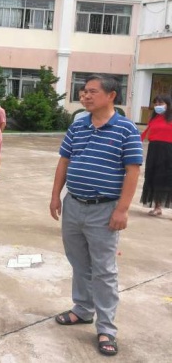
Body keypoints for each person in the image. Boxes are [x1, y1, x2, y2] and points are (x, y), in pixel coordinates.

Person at [49, 74, 143, 357]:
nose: (85, 96)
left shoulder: (126, 129)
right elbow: (64, 161)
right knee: (78, 262)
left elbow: (133, 171)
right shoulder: (78, 126)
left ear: (111, 95)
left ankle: (106, 328)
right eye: (83, 92)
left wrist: (122, 209)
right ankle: (82, 309)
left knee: (104, 270)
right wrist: (55, 196)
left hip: (105, 210)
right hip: (74, 204)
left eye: (92, 91)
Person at [139, 94, 172, 216]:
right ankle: (157, 207)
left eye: (161, 103)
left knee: (169, 178)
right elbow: (145, 133)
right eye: (156, 103)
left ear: (168, 105)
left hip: (169, 151)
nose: (158, 106)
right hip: (154, 151)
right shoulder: (153, 119)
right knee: (155, 177)